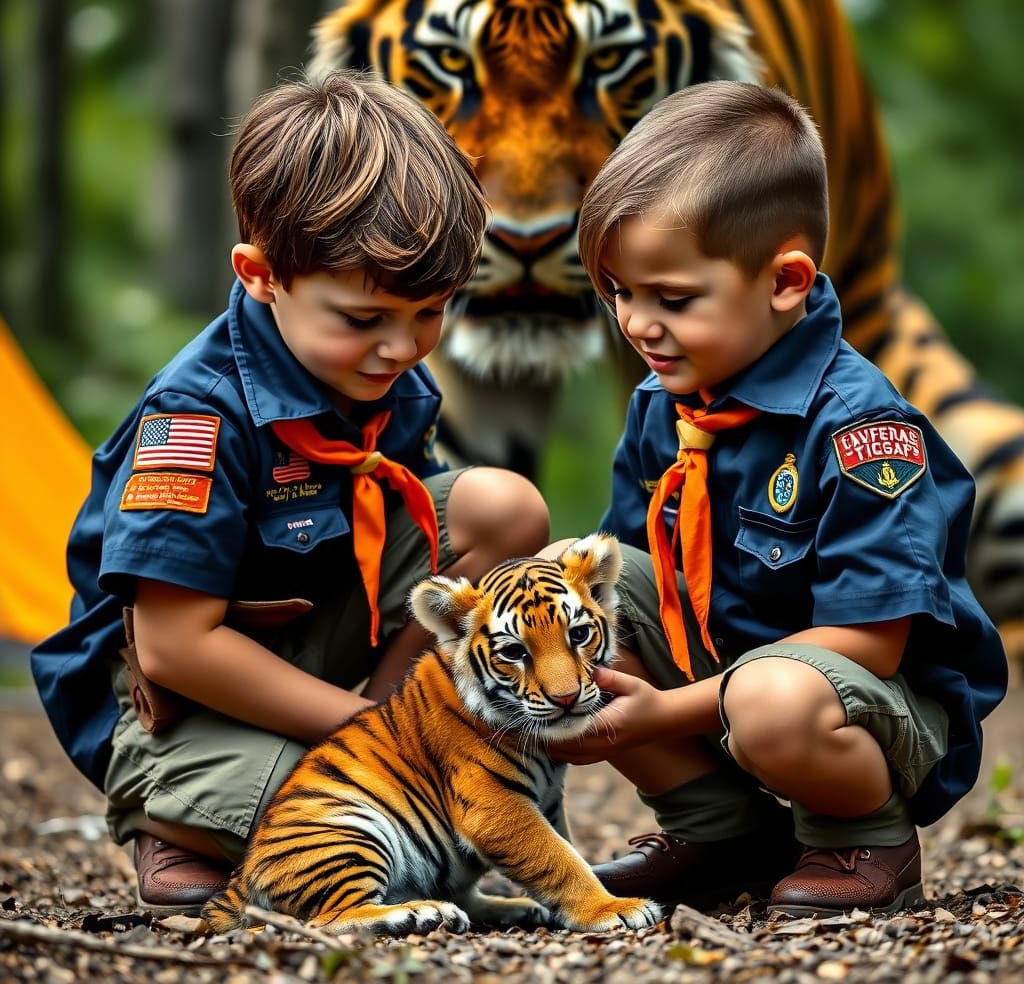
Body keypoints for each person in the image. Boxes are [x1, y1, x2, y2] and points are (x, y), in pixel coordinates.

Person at [31, 72, 550, 915]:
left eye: (430, 312)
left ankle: (387, 750)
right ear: (261, 275)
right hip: (184, 705)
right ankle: (177, 817)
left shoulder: (381, 376)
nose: (401, 347)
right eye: (363, 317)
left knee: (505, 509)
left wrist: (390, 724)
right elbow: (172, 649)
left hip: (318, 648)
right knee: (361, 822)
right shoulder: (196, 418)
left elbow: (407, 547)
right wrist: (373, 744)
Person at [548, 80, 1007, 916]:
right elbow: (631, 576)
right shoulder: (666, 403)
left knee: (772, 701)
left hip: (863, 706)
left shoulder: (859, 425)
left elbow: (871, 642)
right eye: (618, 292)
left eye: (673, 299)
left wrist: (660, 714)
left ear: (786, 280)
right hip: (728, 674)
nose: (637, 324)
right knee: (565, 596)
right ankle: (718, 833)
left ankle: (861, 839)